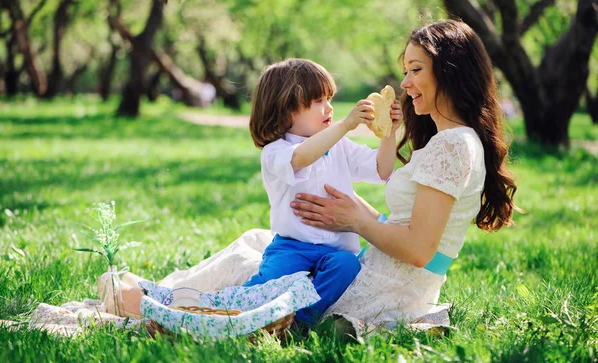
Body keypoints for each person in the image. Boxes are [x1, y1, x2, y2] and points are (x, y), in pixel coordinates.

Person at [111, 20, 517, 333]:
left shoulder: (452, 145)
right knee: (257, 247)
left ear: (448, 72)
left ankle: (170, 305)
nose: (405, 82)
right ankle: (164, 296)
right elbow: (411, 223)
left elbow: (418, 250)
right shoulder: (451, 142)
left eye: (415, 69)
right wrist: (355, 210)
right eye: (406, 70)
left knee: (253, 269)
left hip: (384, 286)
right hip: (356, 261)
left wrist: (354, 219)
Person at [242, 58, 401, 325]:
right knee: (273, 280)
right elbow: (302, 157)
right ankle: (236, 311)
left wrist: (389, 134)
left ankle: (298, 322)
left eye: (329, 98)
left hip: (336, 249)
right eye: (318, 101)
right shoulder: (275, 152)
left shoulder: (340, 146)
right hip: (292, 246)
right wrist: (345, 125)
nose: (329, 108)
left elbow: (381, 170)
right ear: (286, 111)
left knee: (347, 267)